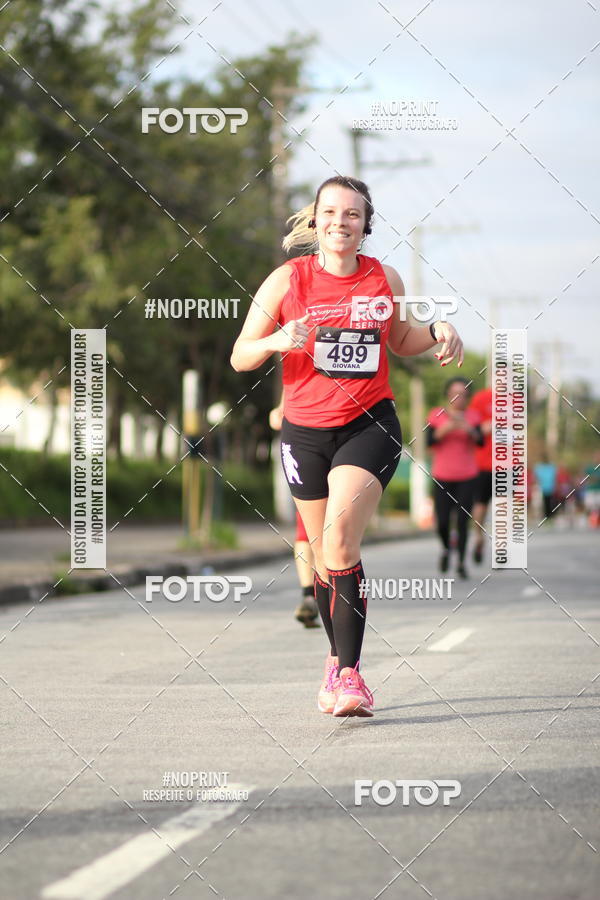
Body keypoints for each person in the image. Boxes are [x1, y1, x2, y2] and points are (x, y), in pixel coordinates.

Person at [231, 175, 463, 717]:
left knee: (338, 545)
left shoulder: (385, 278)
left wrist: (441, 331)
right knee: (317, 556)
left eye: (352, 214)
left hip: (369, 425)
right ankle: (336, 663)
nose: (340, 222)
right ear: (315, 220)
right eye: (330, 212)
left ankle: (353, 676)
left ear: (366, 225)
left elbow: (402, 341)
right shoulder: (288, 280)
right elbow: (241, 355)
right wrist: (275, 340)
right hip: (304, 431)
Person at [269, 396, 320, 628]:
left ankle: (329, 592)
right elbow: (281, 406)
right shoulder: (297, 361)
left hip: (347, 443)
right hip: (305, 447)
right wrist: (278, 412)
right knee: (305, 531)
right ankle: (309, 594)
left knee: (333, 533)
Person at [426, 379, 483, 579]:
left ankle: (460, 562)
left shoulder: (473, 416)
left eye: (463, 394)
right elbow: (429, 441)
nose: (458, 397)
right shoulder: (437, 415)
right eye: (454, 393)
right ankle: (445, 549)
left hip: (467, 474)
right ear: (448, 394)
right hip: (442, 475)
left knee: (462, 520)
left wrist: (469, 429)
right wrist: (446, 429)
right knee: (442, 521)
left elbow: (481, 441)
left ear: (467, 397)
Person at [468, 386, 493, 563]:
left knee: (505, 505)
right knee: (481, 505)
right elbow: (473, 428)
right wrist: (486, 427)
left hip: (508, 463)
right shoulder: (481, 398)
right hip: (483, 462)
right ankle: (478, 536)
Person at [534, 454, 557, 521]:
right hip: (543, 488)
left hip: (550, 488)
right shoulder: (540, 467)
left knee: (550, 503)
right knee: (545, 503)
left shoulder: (551, 467)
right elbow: (537, 476)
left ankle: (550, 516)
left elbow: (554, 477)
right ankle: (546, 516)